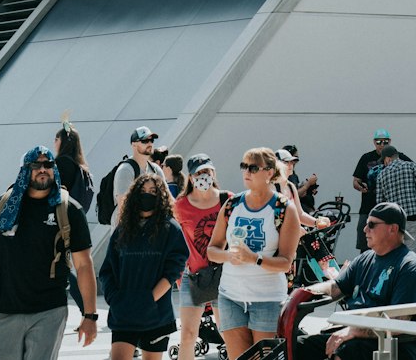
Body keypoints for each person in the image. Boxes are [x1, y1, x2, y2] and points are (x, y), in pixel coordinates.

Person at [0, 144, 96, 359]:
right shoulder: (4, 206)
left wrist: (90, 316)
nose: (42, 169)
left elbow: (84, 265)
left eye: (48, 164)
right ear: (24, 170)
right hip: (7, 310)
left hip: (50, 311)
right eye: (35, 165)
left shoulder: (69, 210)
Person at [299, 202, 416, 360]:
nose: (365, 229)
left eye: (371, 224)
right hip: (358, 335)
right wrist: (301, 294)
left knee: (345, 351)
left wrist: (353, 331)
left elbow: (398, 322)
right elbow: (335, 287)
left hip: (393, 345)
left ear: (393, 229)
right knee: (299, 345)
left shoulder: (408, 267)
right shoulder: (365, 259)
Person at [206, 147, 300, 359]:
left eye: (253, 167)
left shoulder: (283, 208)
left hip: (267, 299)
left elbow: (286, 262)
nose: (246, 172)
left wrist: (254, 259)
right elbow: (212, 250)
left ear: (269, 173)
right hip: (231, 296)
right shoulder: (232, 204)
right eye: (243, 166)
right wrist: (229, 256)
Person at [100, 173, 188, 360]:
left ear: (161, 196)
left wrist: (149, 299)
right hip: (123, 312)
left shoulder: (170, 228)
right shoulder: (122, 229)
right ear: (134, 195)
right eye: (143, 191)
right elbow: (107, 269)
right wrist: (114, 298)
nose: (147, 195)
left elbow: (174, 270)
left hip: (155, 314)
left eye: (153, 191)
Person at [174, 155, 229, 360]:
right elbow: (175, 242)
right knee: (188, 335)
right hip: (194, 276)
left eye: (207, 172)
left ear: (213, 173)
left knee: (228, 332)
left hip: (224, 275)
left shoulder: (227, 200)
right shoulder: (180, 206)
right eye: (199, 173)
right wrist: (179, 275)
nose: (204, 176)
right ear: (190, 177)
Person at [54, 121, 93, 317]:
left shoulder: (61, 164)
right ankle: (85, 307)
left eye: (56, 138)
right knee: (73, 265)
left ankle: (85, 307)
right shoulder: (81, 167)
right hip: (77, 220)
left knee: (64, 265)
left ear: (61, 141)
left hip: (61, 222)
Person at [113, 126, 166, 224]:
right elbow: (123, 208)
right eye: (144, 141)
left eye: (151, 140)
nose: (149, 143)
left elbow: (167, 199)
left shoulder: (156, 169)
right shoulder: (125, 170)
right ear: (134, 145)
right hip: (129, 229)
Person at [352, 130, 393, 251]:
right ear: (374, 142)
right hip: (368, 206)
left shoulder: (397, 156)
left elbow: (415, 169)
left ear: (389, 142)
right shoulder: (366, 158)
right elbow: (355, 181)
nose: (382, 145)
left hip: (389, 206)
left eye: (385, 142)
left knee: (388, 240)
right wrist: (360, 187)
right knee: (364, 235)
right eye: (379, 142)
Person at [276, 151, 331, 231]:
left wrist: (316, 222)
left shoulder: (290, 186)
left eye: (292, 162)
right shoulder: (271, 187)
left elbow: (300, 214)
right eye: (286, 162)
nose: (290, 164)